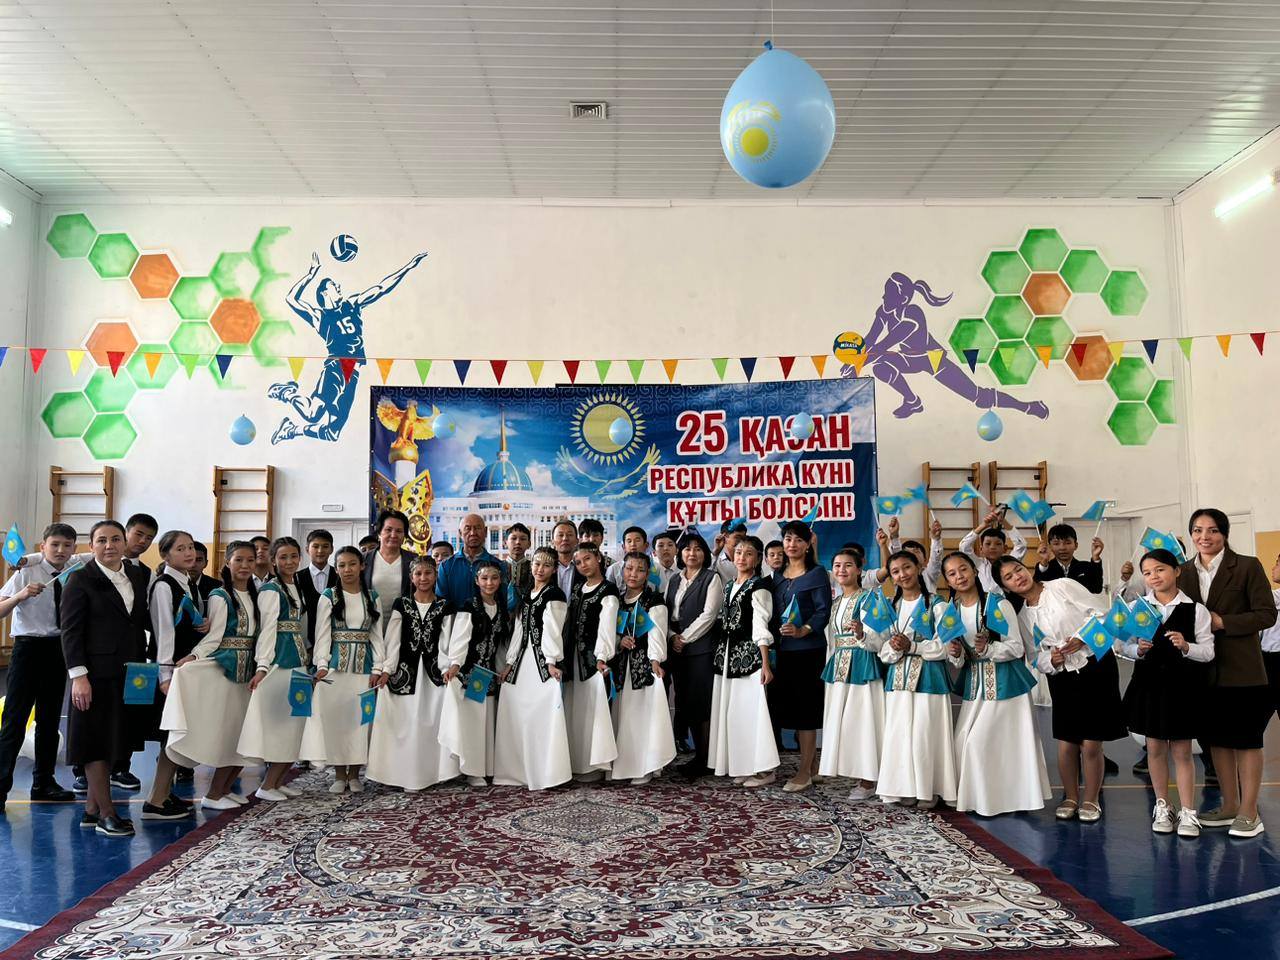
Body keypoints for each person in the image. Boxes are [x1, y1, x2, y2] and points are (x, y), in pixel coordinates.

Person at [997, 556, 1125, 824]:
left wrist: (1081, 638)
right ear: (1006, 587)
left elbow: (1102, 613)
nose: (1017, 576)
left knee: (1091, 741)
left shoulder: (1062, 586)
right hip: (1062, 676)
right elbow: (1035, 657)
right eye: (1009, 577)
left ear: (1026, 568)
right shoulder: (1023, 617)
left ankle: (1091, 798)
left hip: (1095, 666)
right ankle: (1070, 797)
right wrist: (1051, 660)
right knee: (1067, 741)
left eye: (1018, 569)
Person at [1177, 508, 1277, 838]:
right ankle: (1230, 804)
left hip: (1242, 669)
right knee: (1216, 740)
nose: (1204, 536)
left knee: (1246, 740)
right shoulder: (1182, 572)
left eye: (1212, 530)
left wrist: (1224, 622)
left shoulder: (1247, 566)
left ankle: (1250, 812)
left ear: (1224, 533)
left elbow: (1266, 614)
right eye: (1197, 530)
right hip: (1201, 671)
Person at [269, 248, 428, 443]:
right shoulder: (320, 317)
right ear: (324, 293)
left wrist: (409, 267)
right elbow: (291, 299)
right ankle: (287, 392)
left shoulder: (352, 304)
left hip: (353, 372)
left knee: (332, 433)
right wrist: (311, 274)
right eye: (333, 285)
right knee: (312, 414)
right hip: (337, 366)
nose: (338, 286)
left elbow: (381, 288)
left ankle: (291, 430)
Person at [61, 520, 151, 837]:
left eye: (115, 539)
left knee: (116, 740)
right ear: (91, 546)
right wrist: (79, 677)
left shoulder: (136, 576)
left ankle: (90, 809)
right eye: (102, 540)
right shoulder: (79, 580)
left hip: (130, 673)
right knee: (95, 742)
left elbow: (139, 620)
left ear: (125, 543)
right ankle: (107, 814)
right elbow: (70, 632)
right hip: (94, 676)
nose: (109, 545)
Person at [942, 552, 1050, 816]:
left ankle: (1000, 800)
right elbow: (957, 657)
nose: (959, 576)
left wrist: (989, 648)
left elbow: (1017, 647)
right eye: (952, 574)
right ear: (947, 581)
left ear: (975, 571)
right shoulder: (951, 611)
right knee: (962, 742)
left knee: (979, 743)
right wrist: (955, 653)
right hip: (976, 684)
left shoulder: (997, 604)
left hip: (1005, 684)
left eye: (963, 569)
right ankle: (983, 799)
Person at [1120, 549, 1214, 838]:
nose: (1154, 577)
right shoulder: (1138, 608)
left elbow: (1208, 652)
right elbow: (1121, 646)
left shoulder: (1196, 610)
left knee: (1183, 751)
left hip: (1182, 687)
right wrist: (1136, 650)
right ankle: (1163, 806)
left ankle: (1188, 811)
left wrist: (1186, 646)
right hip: (1149, 686)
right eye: (1147, 573)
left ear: (1177, 570)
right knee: (1155, 748)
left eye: (1160, 569)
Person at [163, 541, 258, 811]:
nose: (244, 565)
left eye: (250, 560)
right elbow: (214, 636)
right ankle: (214, 793)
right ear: (228, 563)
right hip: (226, 671)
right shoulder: (220, 595)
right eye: (238, 560)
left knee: (245, 734)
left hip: (249, 672)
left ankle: (224, 789)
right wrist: (194, 657)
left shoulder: (256, 595)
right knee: (230, 733)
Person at [0, 523, 78, 813]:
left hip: (58, 649)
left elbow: (95, 554)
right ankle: (0, 787)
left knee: (49, 720)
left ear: (73, 548)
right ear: (43, 546)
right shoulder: (25, 571)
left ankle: (43, 782)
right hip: (27, 649)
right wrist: (20, 595)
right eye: (54, 544)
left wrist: (30, 557)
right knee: (15, 720)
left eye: (67, 545)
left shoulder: (74, 568)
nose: (60, 550)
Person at [367, 555, 464, 791]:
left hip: (433, 674)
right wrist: (387, 669)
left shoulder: (445, 606)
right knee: (405, 723)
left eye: (428, 573)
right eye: (418, 574)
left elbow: (447, 640)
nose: (423, 578)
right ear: (411, 577)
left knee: (430, 724)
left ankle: (433, 773)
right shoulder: (402, 604)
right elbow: (393, 640)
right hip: (405, 672)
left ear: (436, 576)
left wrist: (448, 666)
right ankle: (402, 774)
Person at [300, 546, 389, 793]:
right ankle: (340, 774)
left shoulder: (372, 597)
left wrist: (378, 666)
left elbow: (376, 635)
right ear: (336, 569)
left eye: (352, 564)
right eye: (341, 565)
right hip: (336, 670)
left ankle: (355, 773)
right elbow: (322, 634)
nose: (347, 569)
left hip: (364, 669)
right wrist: (322, 665)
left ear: (362, 566)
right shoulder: (329, 596)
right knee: (337, 721)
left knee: (360, 721)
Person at [876, 551, 957, 809]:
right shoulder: (890, 608)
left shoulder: (938, 604)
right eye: (896, 571)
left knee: (925, 734)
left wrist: (913, 647)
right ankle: (906, 787)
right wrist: (894, 648)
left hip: (929, 679)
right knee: (900, 735)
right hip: (898, 681)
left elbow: (947, 646)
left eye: (907, 567)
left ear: (919, 567)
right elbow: (882, 649)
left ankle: (928, 789)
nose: (902, 575)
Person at [137, 530, 203, 821]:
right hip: (170, 670)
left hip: (184, 669)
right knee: (170, 736)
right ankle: (156, 800)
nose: (188, 553)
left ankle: (164, 792)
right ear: (165, 555)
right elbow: (164, 630)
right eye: (180, 549)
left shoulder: (186, 582)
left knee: (177, 735)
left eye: (190, 547)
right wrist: (165, 675)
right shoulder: (164, 585)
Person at [238, 537, 309, 801]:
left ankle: (278, 781)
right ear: (273, 560)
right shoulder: (271, 590)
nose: (289, 562)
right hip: (279, 663)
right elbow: (267, 630)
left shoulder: (296, 585)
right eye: (283, 557)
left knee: (296, 723)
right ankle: (267, 785)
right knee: (281, 725)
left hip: (298, 662)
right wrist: (262, 666)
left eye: (293, 556)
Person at [494, 547, 571, 790]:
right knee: (516, 711)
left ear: (554, 569)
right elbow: (518, 630)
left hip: (541, 662)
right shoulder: (527, 594)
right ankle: (516, 771)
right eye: (537, 564)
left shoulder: (554, 595)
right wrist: (509, 663)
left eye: (546, 565)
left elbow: (553, 630)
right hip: (521, 662)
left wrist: (551, 661)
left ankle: (544, 772)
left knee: (541, 715)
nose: (540, 569)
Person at [709, 536, 779, 787]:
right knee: (735, 713)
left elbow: (761, 624)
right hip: (727, 657)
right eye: (738, 552)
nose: (742, 558)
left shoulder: (759, 587)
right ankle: (743, 764)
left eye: (748, 554)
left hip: (749, 658)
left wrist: (765, 663)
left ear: (758, 559)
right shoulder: (729, 585)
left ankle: (764, 769)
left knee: (753, 713)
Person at [768, 521, 831, 792]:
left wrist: (803, 630)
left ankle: (804, 772)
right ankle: (812, 765)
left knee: (806, 710)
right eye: (787, 539)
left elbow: (823, 611)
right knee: (790, 708)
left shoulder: (817, 574)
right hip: (783, 651)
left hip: (808, 650)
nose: (791, 544)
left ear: (807, 545)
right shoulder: (777, 576)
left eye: (798, 540)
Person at [818, 546, 883, 800]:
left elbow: (880, 636)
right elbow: (831, 640)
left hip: (862, 663)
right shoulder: (835, 603)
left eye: (848, 565)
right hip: (839, 665)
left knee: (863, 720)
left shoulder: (869, 598)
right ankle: (856, 773)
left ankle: (869, 779)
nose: (842, 570)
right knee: (845, 722)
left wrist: (862, 635)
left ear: (859, 570)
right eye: (837, 566)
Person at [440, 560, 511, 784]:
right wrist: (455, 665)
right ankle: (472, 770)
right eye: (484, 578)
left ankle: (486, 766)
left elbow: (501, 644)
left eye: (494, 578)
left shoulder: (501, 608)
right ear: (476, 581)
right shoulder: (468, 606)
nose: (489, 583)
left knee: (487, 720)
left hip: (489, 673)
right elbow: (460, 639)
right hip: (471, 673)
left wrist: (502, 667)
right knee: (473, 721)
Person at [611, 553, 677, 785]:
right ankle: (624, 764)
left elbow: (657, 634)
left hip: (643, 666)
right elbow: (611, 632)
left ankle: (645, 766)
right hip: (622, 666)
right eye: (629, 569)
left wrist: (655, 661)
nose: (633, 574)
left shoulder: (654, 601)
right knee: (624, 715)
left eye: (640, 570)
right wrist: (619, 642)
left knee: (641, 715)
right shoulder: (618, 601)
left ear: (648, 574)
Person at [664, 531, 724, 779]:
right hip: (676, 649)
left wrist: (684, 638)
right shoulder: (674, 580)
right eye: (687, 549)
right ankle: (697, 757)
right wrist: (672, 637)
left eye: (698, 549)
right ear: (680, 553)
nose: (692, 553)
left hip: (701, 649)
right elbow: (665, 613)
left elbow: (709, 615)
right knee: (685, 703)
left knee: (702, 703)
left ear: (705, 554)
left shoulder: (712, 578)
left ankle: (705, 758)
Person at [562, 545, 619, 781]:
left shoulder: (608, 590)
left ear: (599, 559)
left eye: (588, 559)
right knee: (576, 709)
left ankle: (595, 765)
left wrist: (602, 656)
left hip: (593, 660)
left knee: (594, 709)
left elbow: (607, 626)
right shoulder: (578, 589)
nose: (583, 565)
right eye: (578, 562)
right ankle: (578, 762)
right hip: (573, 658)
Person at [437, 513, 507, 608]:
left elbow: (502, 600)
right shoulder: (446, 566)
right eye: (468, 528)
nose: (473, 533)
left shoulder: (498, 565)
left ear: (485, 532)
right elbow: (441, 601)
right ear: (460, 533)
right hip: (455, 617)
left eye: (477, 528)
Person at [959, 510, 1027, 595]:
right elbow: (964, 547)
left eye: (998, 544)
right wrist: (983, 525)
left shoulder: (1010, 563)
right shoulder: (977, 563)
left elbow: (1021, 546)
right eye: (988, 544)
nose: (992, 547)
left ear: (1005, 548)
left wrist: (1003, 521)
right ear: (981, 549)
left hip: (1006, 600)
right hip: (982, 600)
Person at [364, 509, 413, 621]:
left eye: (399, 531)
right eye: (388, 530)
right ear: (379, 533)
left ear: (404, 535)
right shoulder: (363, 559)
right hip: (369, 623)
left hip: (402, 623)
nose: (393, 535)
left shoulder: (413, 560)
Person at [298, 529, 338, 655]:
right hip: (304, 644)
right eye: (315, 546)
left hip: (335, 644)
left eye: (325, 546)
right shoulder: (297, 578)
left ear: (331, 549)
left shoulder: (340, 577)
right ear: (307, 549)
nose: (320, 551)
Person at [1034, 524, 1104, 593]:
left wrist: (1095, 557)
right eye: (1056, 544)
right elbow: (1037, 589)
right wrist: (1044, 560)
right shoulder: (1045, 569)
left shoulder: (1086, 567)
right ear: (1050, 547)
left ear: (1076, 545)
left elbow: (1097, 588)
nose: (1062, 548)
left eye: (1067, 543)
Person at [885, 517, 944, 590]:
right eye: (907, 553)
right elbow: (896, 559)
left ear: (925, 559)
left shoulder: (929, 574)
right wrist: (894, 536)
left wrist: (936, 539)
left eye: (916, 551)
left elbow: (936, 560)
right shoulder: (900, 575)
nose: (912, 555)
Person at [1262, 553, 1280, 719]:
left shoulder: (1273, 598)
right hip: (1266, 660)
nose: (1273, 568)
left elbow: (1262, 597)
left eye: (1278, 564)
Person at [551, 519, 582, 598]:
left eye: (570, 535)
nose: (565, 538)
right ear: (553, 542)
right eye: (560, 535)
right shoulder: (546, 567)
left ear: (577, 541)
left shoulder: (584, 566)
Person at [506, 523, 532, 593]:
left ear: (529, 544)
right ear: (505, 543)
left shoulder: (534, 568)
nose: (518, 542)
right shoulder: (498, 567)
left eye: (523, 539)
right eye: (513, 538)